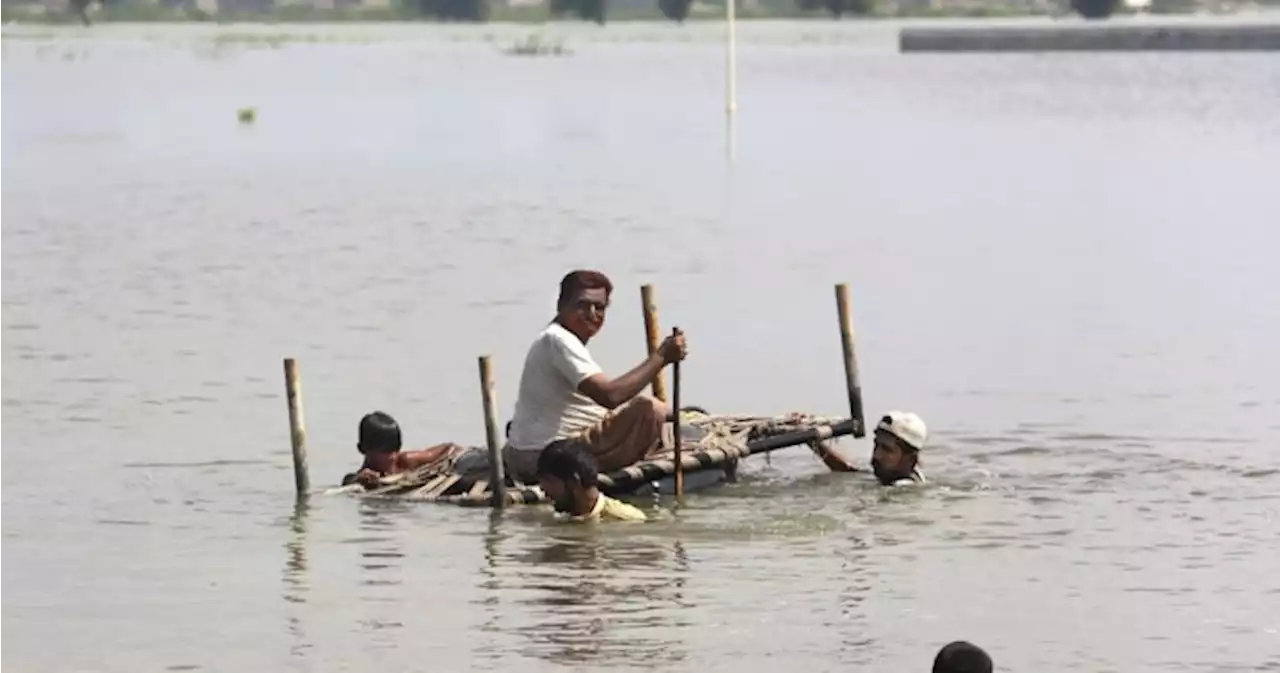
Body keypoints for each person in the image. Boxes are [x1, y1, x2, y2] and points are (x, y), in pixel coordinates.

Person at [503, 269, 688, 484]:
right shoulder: (558, 340)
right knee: (649, 410)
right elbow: (610, 396)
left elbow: (599, 404)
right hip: (547, 457)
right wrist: (661, 357)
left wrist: (675, 413)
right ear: (561, 305)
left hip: (535, 451)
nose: (592, 314)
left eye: (599, 308)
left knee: (660, 411)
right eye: (582, 305)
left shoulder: (561, 340)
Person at [342, 411, 486, 490]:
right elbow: (349, 481)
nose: (392, 456)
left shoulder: (404, 462)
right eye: (385, 451)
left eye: (395, 449)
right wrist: (361, 480)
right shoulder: (361, 478)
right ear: (362, 449)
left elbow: (449, 448)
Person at [535, 439, 648, 522]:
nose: (541, 487)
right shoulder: (558, 518)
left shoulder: (628, 520)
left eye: (549, 480)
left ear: (574, 481)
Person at [808, 410, 928, 486]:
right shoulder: (890, 475)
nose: (877, 455)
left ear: (910, 459)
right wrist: (813, 442)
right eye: (877, 445)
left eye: (887, 450)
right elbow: (849, 471)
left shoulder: (903, 490)